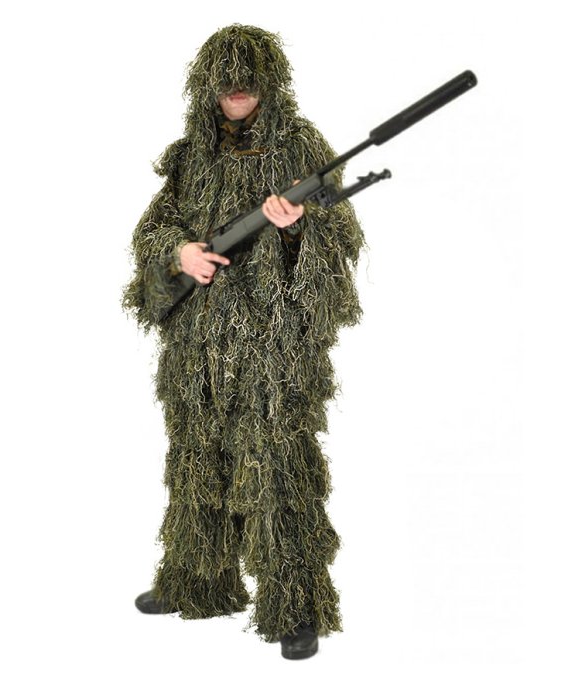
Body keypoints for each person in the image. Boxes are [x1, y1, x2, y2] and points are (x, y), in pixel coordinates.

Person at [121, 24, 366, 661]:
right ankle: (198, 583)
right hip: (196, 345)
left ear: (269, 83)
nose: (238, 89)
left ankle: (295, 607)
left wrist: (294, 232)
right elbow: (153, 228)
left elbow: (341, 235)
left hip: (273, 348)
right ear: (208, 85)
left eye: (249, 79)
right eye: (226, 79)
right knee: (196, 464)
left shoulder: (300, 146)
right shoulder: (189, 155)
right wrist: (180, 252)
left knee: (278, 474)